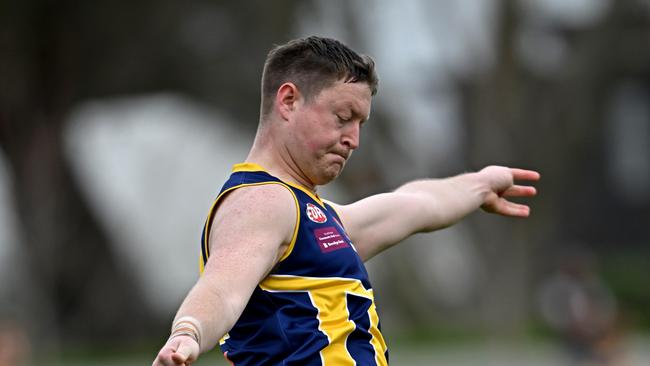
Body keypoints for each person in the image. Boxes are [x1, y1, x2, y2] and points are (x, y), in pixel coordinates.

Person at [152, 36, 540, 366]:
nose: (354, 139)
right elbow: (222, 288)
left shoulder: (315, 217)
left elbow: (416, 204)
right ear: (288, 101)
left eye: (360, 124)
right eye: (343, 117)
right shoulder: (261, 202)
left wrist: (478, 184)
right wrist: (188, 334)